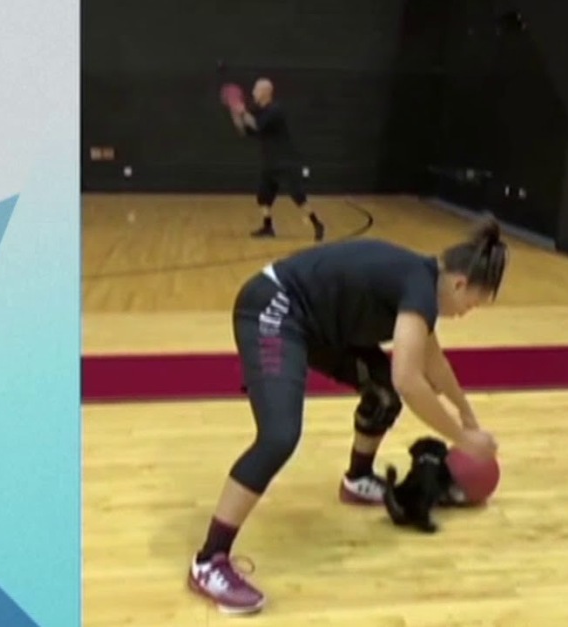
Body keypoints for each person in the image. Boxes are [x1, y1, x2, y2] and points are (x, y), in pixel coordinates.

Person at [187, 217, 508, 615]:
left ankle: (357, 480)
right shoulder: (419, 288)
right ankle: (209, 561)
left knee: (382, 390)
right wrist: (462, 440)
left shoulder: (420, 282)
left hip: (317, 328)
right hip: (273, 308)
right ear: (459, 284)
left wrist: (467, 414)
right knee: (279, 436)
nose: (466, 312)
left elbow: (433, 364)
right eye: (472, 303)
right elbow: (409, 379)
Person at [227, 77, 325, 242]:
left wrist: (242, 111)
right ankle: (268, 227)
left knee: (297, 195)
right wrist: (235, 113)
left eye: (256, 89)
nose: (253, 92)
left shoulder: (275, 110)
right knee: (263, 197)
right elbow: (244, 130)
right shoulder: (258, 110)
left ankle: (317, 224)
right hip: (269, 161)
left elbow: (257, 125)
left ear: (266, 92)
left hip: (285, 160)